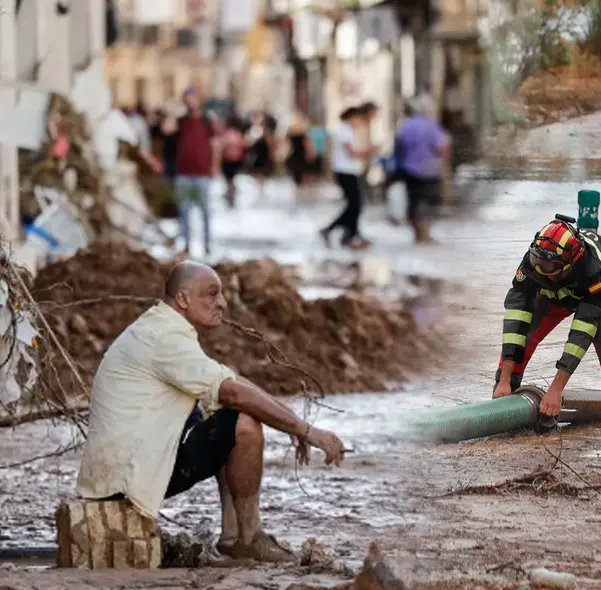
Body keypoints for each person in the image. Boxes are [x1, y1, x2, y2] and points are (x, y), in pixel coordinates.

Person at [75, 261, 347, 562]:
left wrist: (294, 424)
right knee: (242, 423)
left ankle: (232, 537)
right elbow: (233, 392)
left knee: (225, 413)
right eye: (212, 294)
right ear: (183, 299)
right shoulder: (164, 338)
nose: (223, 303)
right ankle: (247, 537)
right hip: (125, 480)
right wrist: (307, 431)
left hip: (121, 472)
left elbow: (232, 382)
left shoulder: (162, 328)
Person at [492, 215, 601, 431]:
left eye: (548, 267)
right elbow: (516, 319)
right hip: (560, 290)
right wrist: (504, 378)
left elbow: (581, 334)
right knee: (527, 330)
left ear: (569, 264)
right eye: (538, 264)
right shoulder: (533, 264)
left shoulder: (593, 271)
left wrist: (556, 390)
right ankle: (505, 392)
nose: (541, 270)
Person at [319, 105, 378, 250]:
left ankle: (351, 235)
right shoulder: (343, 131)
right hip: (345, 172)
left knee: (355, 205)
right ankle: (332, 229)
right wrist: (369, 151)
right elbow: (352, 153)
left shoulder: (349, 131)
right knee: (354, 205)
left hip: (350, 171)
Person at [394, 96, 450, 244]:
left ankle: (417, 235)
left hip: (410, 169)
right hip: (431, 170)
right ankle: (426, 234)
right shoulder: (431, 126)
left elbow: (399, 147)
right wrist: (445, 168)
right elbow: (442, 147)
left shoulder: (405, 125)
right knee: (430, 202)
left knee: (414, 201)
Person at [174, 88, 219, 256]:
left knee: (205, 211)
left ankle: (207, 244)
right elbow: (166, 130)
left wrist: (214, 166)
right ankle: (186, 244)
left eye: (192, 98)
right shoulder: (181, 121)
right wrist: (174, 112)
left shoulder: (207, 121)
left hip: (202, 174)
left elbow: (215, 145)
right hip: (184, 173)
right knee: (184, 211)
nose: (190, 102)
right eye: (186, 99)